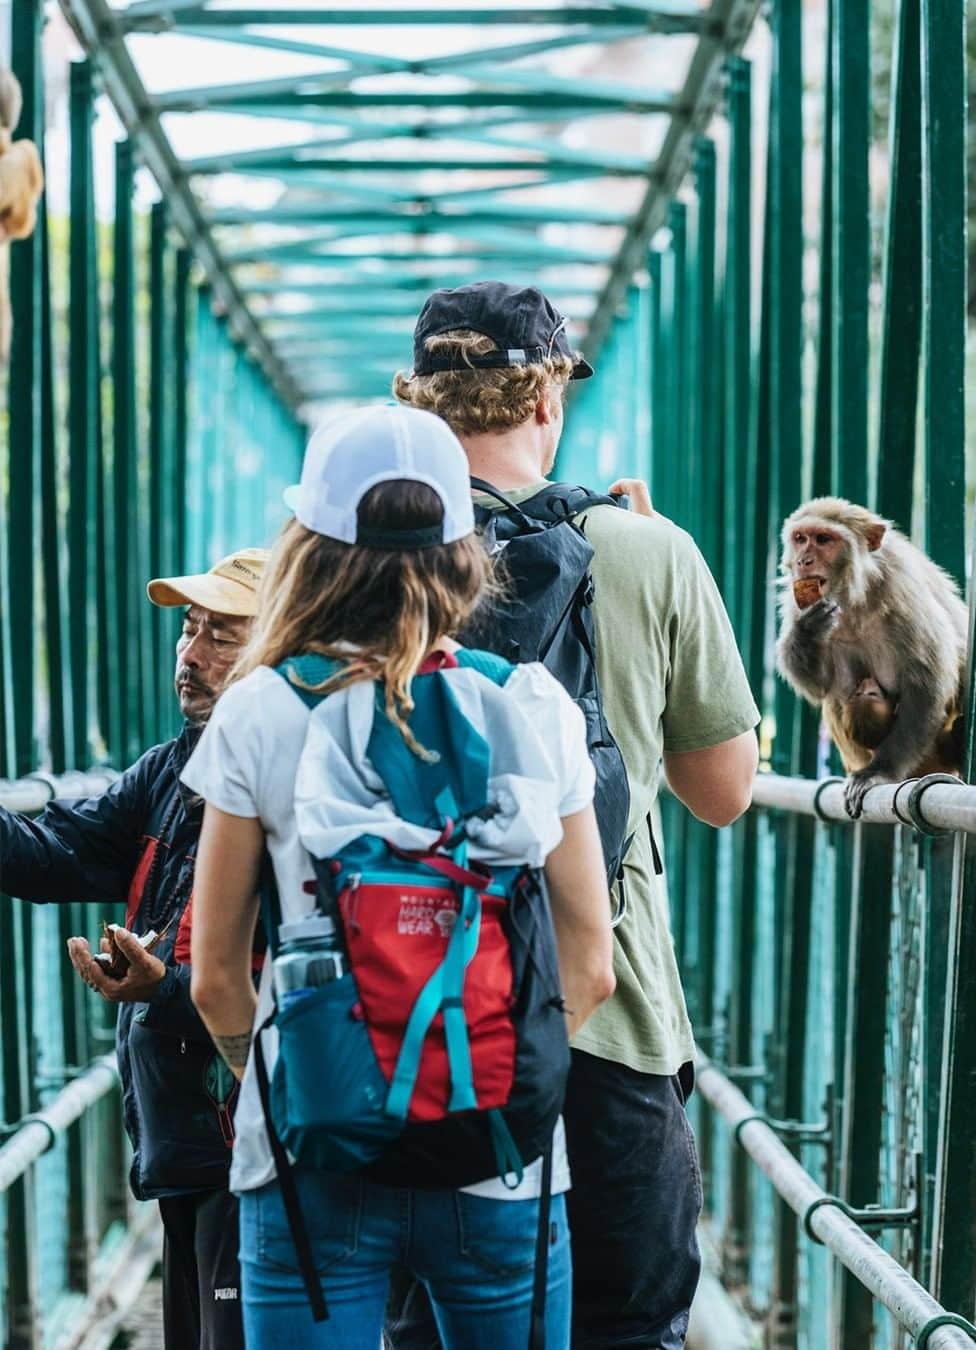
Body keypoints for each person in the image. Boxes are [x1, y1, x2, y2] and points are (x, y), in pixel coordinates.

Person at [184, 404, 614, 1349]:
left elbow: (216, 978)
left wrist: (299, 1087)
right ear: (465, 551)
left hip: (309, 1162)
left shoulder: (259, 710)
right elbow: (590, 967)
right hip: (501, 1158)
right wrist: (484, 1088)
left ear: (309, 550)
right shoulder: (530, 705)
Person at [391, 281, 761, 1350]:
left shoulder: (351, 560)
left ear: (416, 402)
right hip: (609, 1002)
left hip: (410, 1003)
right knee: (624, 1323)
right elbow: (724, 793)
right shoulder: (648, 551)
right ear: (547, 397)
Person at [0, 548, 268, 1350]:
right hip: (184, 1142)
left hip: (253, 1142)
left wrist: (166, 988)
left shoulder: (305, 780)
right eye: (190, 631)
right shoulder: (172, 770)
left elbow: (297, 979)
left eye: (221, 636)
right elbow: (52, 854)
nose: (190, 656)